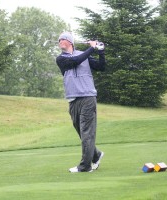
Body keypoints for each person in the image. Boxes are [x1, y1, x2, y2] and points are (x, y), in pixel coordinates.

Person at [56, 32, 106, 173]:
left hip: (88, 97)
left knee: (86, 133)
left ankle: (85, 166)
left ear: (70, 42)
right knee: (82, 133)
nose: (60, 41)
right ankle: (96, 155)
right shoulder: (61, 59)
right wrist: (92, 48)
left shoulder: (84, 56)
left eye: (63, 39)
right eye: (59, 40)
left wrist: (101, 51)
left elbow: (101, 67)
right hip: (72, 100)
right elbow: (76, 61)